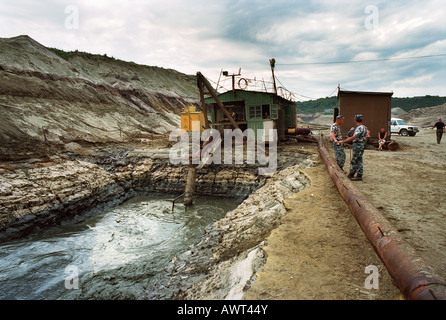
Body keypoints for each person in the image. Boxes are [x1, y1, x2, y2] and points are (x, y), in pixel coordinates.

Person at [340, 114, 368, 181]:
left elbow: (354, 137)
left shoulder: (359, 128)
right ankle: (358, 174)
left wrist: (345, 141)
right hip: (361, 144)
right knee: (359, 159)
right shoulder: (364, 127)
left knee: (355, 160)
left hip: (358, 144)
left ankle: (352, 174)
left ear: (355, 120)